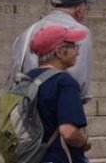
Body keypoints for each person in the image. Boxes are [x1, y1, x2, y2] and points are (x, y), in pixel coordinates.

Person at [8, 0, 95, 103]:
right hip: (61, 102)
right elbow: (80, 76)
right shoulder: (79, 32)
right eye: (86, 8)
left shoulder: (28, 32)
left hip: (28, 104)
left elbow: (14, 71)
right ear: (79, 10)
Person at [27, 25, 92, 163]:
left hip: (30, 156)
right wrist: (84, 141)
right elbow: (68, 132)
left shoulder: (26, 79)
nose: (78, 52)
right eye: (74, 47)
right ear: (60, 52)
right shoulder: (65, 82)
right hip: (58, 157)